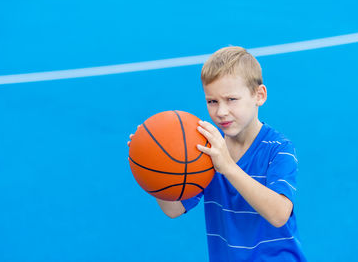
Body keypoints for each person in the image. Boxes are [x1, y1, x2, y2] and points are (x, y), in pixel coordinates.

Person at [128, 46, 306, 261]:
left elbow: (279, 214)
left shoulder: (278, 149)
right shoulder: (206, 150)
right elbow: (173, 209)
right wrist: (150, 164)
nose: (221, 112)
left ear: (259, 95)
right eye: (212, 101)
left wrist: (228, 167)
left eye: (231, 99)